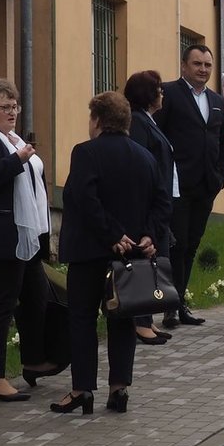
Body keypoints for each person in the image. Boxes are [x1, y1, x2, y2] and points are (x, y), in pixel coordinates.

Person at [54, 91, 169, 415]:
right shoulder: (145, 157)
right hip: (130, 257)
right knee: (122, 318)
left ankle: (82, 390)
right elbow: (162, 202)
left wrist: (112, 234)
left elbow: (84, 199)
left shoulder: (85, 153)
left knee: (82, 319)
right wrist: (148, 235)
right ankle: (119, 388)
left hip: (89, 252)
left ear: (98, 120)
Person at [0, 78, 60, 402]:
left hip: (24, 235)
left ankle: (33, 359)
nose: (12, 112)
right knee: (2, 305)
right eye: (5, 107)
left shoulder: (11, 139)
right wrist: (15, 161)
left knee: (36, 296)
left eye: (14, 106)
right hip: (1, 237)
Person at [157, 44, 224, 329]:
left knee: (191, 245)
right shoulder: (168, 94)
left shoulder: (217, 100)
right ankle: (170, 307)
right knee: (177, 245)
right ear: (184, 65)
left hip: (206, 185)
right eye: (197, 64)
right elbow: (157, 136)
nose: (203, 69)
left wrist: (220, 177)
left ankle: (180, 303)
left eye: (207, 65)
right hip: (176, 186)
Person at [124, 70, 176, 346]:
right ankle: (139, 321)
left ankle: (147, 318)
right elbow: (140, 167)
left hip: (159, 205)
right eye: (158, 88)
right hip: (147, 207)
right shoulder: (138, 122)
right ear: (147, 94)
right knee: (145, 262)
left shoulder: (148, 120)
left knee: (155, 262)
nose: (162, 93)